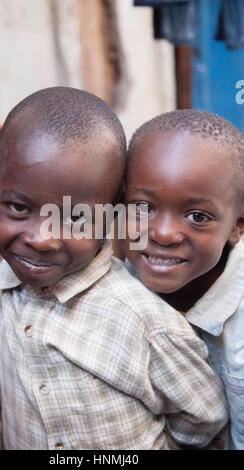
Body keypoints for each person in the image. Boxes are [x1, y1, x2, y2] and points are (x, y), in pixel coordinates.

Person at [0, 88, 228, 450]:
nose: (41, 238)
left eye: (76, 218)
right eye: (20, 208)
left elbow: (203, 420)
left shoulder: (145, 323)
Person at [120, 109, 244, 450]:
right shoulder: (108, 276)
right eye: (143, 207)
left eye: (197, 216)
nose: (163, 234)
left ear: (237, 226)